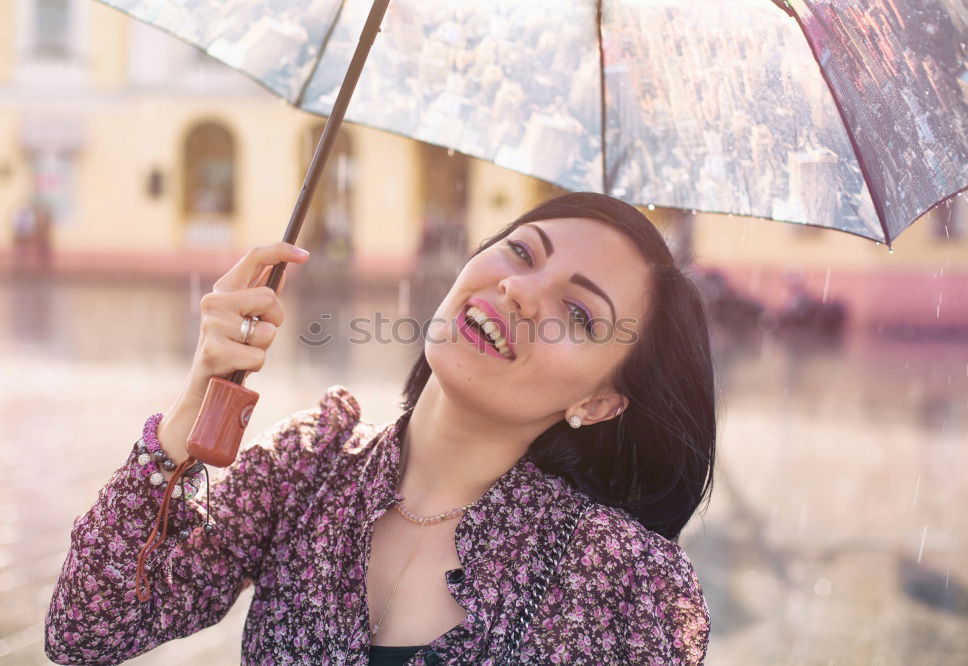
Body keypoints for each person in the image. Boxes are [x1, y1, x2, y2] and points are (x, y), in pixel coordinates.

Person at [44, 192, 716, 664]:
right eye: (519, 251)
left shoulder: (628, 582)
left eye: (577, 313)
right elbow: (87, 632)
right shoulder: (309, 464)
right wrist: (196, 402)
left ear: (599, 403)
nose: (519, 290)